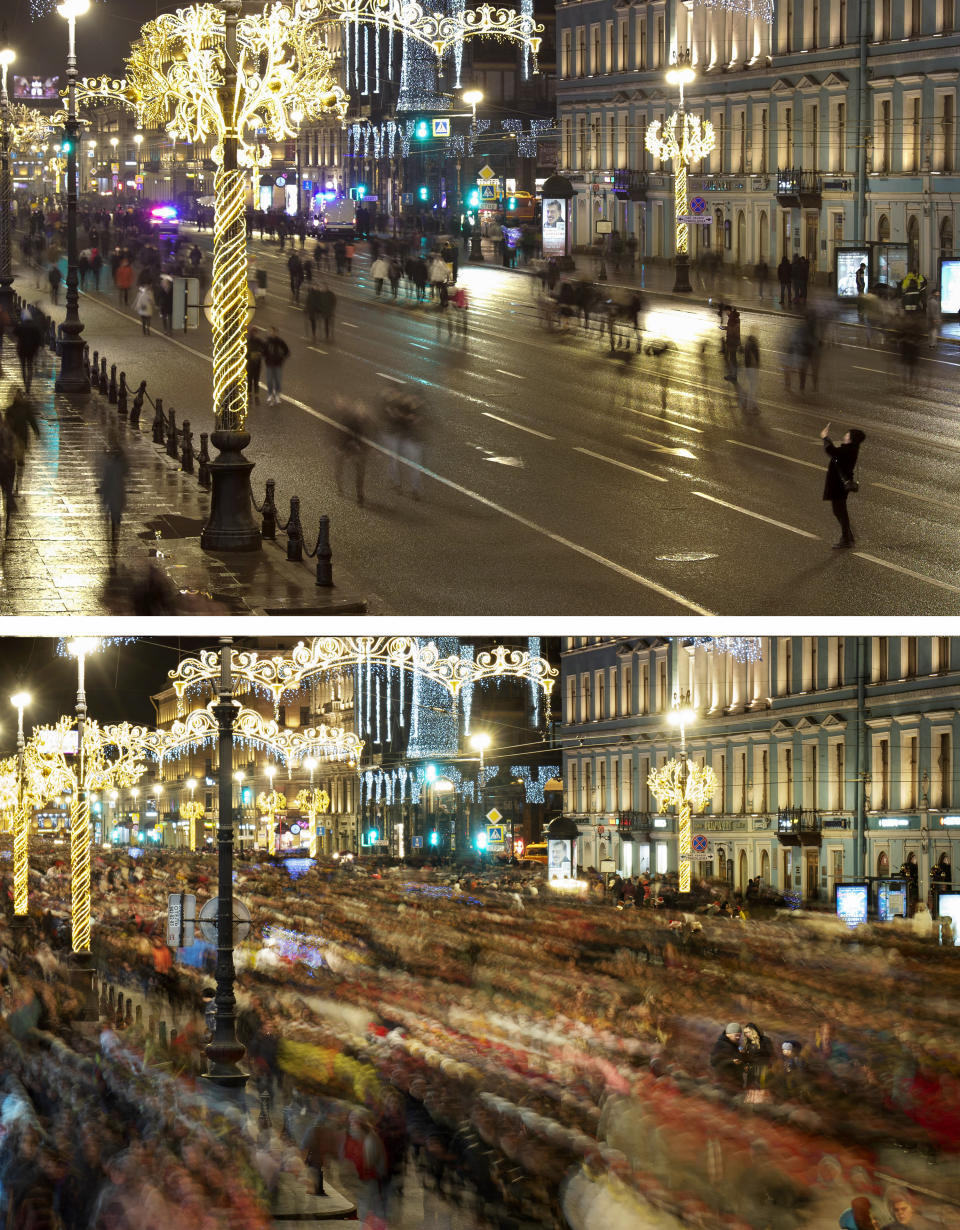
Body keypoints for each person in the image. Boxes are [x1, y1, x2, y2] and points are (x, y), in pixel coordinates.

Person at [821, 422, 866, 549]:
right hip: (840, 485)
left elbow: (831, 451)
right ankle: (848, 536)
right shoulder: (851, 449)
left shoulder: (847, 450)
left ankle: (846, 538)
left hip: (838, 486)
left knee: (839, 511)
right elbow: (835, 452)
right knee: (840, 511)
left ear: (851, 438)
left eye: (848, 434)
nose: (845, 435)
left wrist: (825, 437)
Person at [97, 437, 129, 568]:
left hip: (112, 498)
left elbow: (105, 481)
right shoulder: (119, 466)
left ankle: (113, 542)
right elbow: (126, 471)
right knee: (116, 522)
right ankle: (114, 542)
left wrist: (102, 491)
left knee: (113, 522)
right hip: (117, 497)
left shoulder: (110, 466)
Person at [13, 310, 43, 394]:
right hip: (31, 350)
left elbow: (14, 333)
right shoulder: (35, 327)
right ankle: (28, 385)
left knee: (23, 367)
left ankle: (25, 382)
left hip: (22, 349)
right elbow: (38, 340)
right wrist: (37, 349)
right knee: (30, 366)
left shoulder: (20, 326)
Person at [262, 326, 290, 405]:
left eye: (274, 332)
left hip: (278, 364)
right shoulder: (267, 342)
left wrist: (282, 358)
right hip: (269, 364)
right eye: (271, 332)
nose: (272, 333)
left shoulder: (280, 342)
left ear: (276, 333)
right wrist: (266, 357)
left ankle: (277, 395)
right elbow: (263, 352)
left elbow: (287, 351)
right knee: (269, 381)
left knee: (278, 381)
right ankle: (270, 394)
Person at [740, 333, 760, 411]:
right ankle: (750, 406)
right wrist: (756, 366)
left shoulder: (747, 345)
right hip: (752, 369)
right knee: (753, 388)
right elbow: (755, 358)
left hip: (748, 368)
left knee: (752, 387)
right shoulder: (753, 346)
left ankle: (752, 405)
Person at [722, 305, 741, 382]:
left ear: (728, 310)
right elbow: (734, 328)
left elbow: (733, 330)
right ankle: (733, 375)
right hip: (735, 340)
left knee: (732, 359)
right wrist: (726, 328)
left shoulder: (732, 318)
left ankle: (733, 376)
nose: (726, 313)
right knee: (733, 359)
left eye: (726, 311)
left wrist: (726, 328)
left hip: (732, 341)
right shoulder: (735, 317)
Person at [246, 326, 263, 404]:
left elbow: (264, 350)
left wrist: (259, 354)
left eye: (256, 332)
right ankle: (249, 396)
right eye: (254, 332)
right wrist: (251, 355)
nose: (256, 334)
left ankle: (256, 396)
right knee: (249, 381)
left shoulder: (260, 342)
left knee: (256, 381)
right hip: (250, 365)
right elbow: (245, 354)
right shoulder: (248, 342)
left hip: (257, 364)